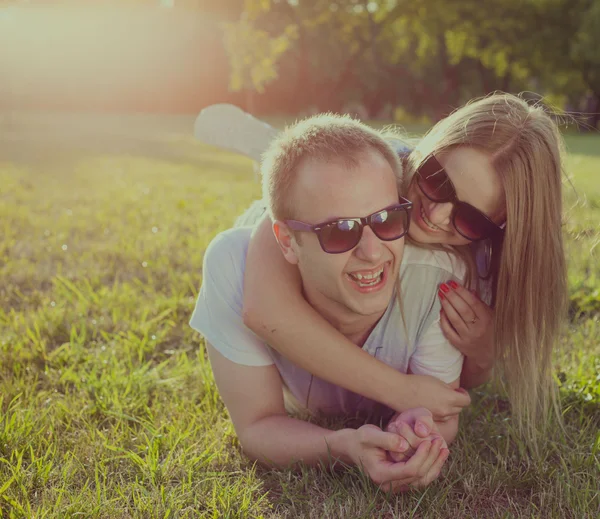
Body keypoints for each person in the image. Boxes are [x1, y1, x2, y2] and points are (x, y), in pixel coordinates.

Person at [236, 93, 568, 442]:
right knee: (292, 174)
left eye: (469, 219)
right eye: (438, 180)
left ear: (501, 229)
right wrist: (400, 391)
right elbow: (265, 311)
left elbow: (449, 388)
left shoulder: (483, 261)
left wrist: (483, 354)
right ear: (428, 151)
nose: (435, 214)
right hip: (299, 213)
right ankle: (264, 146)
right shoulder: (383, 169)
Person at [190, 114, 473, 491]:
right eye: (341, 230)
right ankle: (268, 148)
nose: (373, 253)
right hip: (268, 229)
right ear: (288, 242)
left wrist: (415, 433)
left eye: (387, 219)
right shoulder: (232, 267)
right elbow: (256, 426)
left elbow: (441, 412)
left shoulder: (437, 276)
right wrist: (340, 447)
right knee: (290, 181)